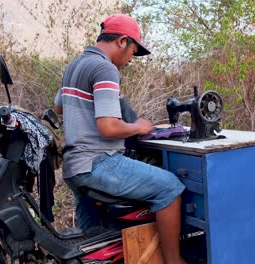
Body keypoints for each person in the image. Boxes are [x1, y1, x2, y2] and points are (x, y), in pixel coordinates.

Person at [53, 14, 187, 264]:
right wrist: (137, 126)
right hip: (97, 162)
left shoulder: (75, 65)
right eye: (132, 52)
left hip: (74, 168)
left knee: (92, 245)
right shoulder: (105, 68)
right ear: (122, 41)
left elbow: (59, 107)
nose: (129, 61)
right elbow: (108, 127)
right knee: (170, 187)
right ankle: (174, 260)